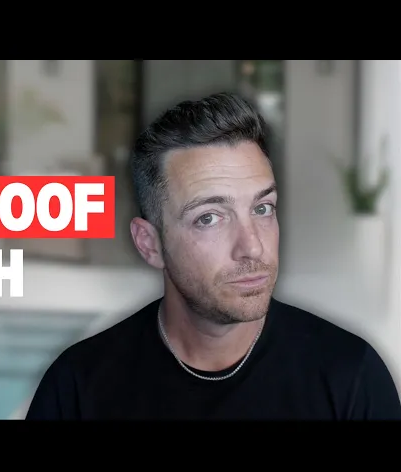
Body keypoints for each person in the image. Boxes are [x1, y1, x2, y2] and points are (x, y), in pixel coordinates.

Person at [25, 92, 401, 420]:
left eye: (262, 208)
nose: (252, 246)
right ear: (149, 244)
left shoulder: (352, 378)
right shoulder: (76, 388)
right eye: (209, 218)